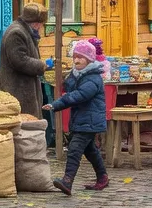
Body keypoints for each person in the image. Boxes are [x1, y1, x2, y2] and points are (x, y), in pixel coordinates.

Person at [42, 41, 108, 195]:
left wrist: (56, 104)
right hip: (82, 120)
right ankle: (103, 177)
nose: (77, 61)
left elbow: (79, 95)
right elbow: (69, 87)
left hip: (89, 121)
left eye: (81, 58)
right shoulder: (80, 74)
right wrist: (71, 75)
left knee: (74, 149)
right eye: (75, 57)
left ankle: (67, 180)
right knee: (91, 151)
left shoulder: (93, 78)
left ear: (90, 60)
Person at [0, 3, 48, 118]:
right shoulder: (17, 33)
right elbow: (20, 60)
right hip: (17, 90)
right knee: (22, 126)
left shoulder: (25, 31)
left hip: (23, 88)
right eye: (41, 24)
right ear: (36, 23)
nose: (41, 27)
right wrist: (41, 65)